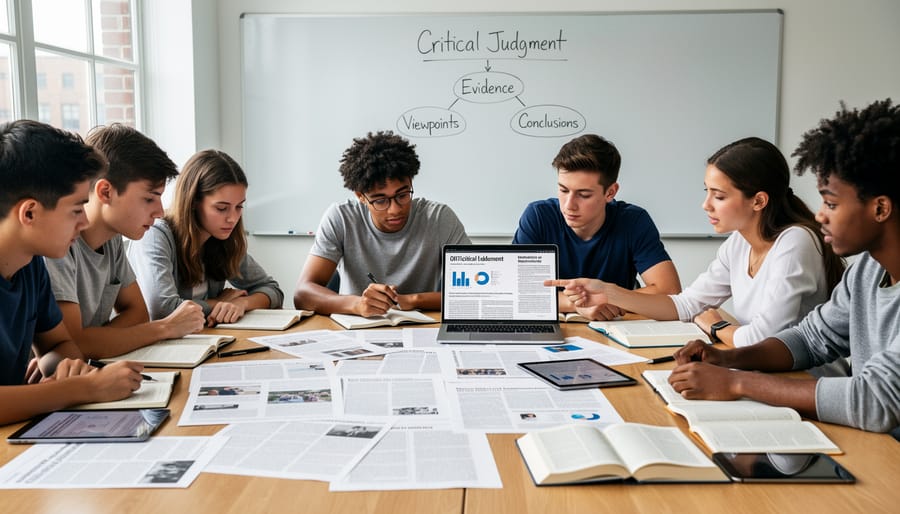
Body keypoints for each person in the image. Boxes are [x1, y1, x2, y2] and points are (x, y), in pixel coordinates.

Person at [669, 99, 900, 435]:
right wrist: (726, 359)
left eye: (831, 203)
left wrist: (737, 384)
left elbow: (874, 401)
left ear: (880, 209)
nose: (820, 215)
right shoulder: (866, 270)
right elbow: (812, 338)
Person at [548, 137, 844, 348]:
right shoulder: (738, 244)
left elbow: (763, 339)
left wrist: (717, 326)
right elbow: (687, 305)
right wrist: (609, 292)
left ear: (758, 201)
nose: (706, 205)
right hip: (757, 369)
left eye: (719, 195)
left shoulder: (795, 242)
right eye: (707, 192)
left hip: (803, 382)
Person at [0, 120, 144, 425]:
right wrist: (84, 387)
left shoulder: (30, 265)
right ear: (29, 213)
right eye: (77, 209)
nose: (84, 223)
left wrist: (64, 367)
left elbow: (59, 345)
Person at [44, 124, 205, 359]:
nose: (160, 212)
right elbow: (72, 343)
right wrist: (165, 328)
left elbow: (138, 314)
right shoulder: (57, 244)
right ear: (106, 192)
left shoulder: (112, 240)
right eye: (149, 199)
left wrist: (95, 340)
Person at [293, 130, 470, 316]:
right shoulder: (341, 218)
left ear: (410, 183)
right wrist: (358, 305)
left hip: (420, 330)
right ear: (360, 196)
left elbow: (474, 294)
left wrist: (412, 300)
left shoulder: (439, 218)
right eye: (380, 200)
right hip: (355, 331)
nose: (395, 209)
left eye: (402, 195)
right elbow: (303, 294)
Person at [513, 134, 681, 321]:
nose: (569, 205)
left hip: (616, 328)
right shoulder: (538, 215)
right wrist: (577, 305)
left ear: (610, 192)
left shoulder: (633, 221)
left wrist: (608, 298)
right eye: (563, 190)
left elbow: (669, 291)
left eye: (583, 195)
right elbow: (515, 290)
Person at [128, 149, 284, 326]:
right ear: (193, 201)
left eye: (239, 207)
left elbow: (272, 290)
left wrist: (242, 303)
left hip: (203, 340)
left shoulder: (223, 239)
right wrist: (219, 304)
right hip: (159, 348)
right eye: (221, 208)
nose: (232, 218)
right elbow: (163, 309)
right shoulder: (156, 235)